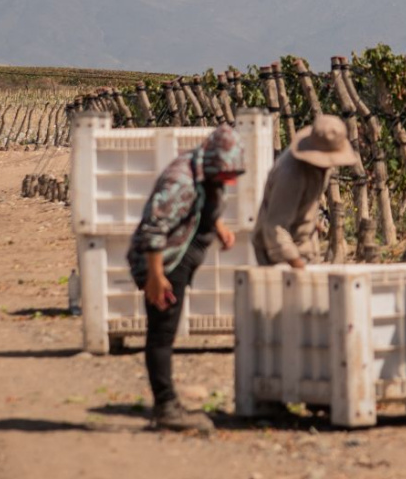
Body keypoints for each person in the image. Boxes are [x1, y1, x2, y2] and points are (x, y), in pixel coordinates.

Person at [127, 123, 245, 433]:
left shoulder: (204, 170)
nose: (226, 182)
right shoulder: (180, 180)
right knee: (162, 332)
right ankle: (166, 407)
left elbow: (202, 205)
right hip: (163, 262)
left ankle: (168, 404)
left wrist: (218, 227)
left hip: (179, 257)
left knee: (168, 328)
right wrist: (155, 277)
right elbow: (154, 229)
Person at [252, 115, 357, 268]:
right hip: (277, 254)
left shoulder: (319, 168)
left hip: (305, 245)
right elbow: (275, 227)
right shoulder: (290, 175)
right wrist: (297, 264)